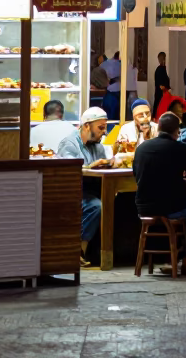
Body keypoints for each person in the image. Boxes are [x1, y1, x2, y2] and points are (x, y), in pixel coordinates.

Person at [132, 111, 186, 274]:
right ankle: (185, 254)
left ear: (158, 128)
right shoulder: (181, 149)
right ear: (177, 131)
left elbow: (136, 174)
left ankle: (176, 254)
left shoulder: (141, 148)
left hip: (144, 208)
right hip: (173, 207)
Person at [56, 107, 110, 266]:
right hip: (72, 192)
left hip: (91, 189)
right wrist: (91, 166)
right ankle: (78, 252)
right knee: (95, 206)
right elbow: (70, 170)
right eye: (101, 127)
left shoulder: (98, 147)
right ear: (87, 126)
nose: (104, 132)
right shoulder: (69, 143)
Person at [102, 51, 122, 122]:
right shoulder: (121, 65)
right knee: (115, 118)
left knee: (107, 116)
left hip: (108, 92)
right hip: (116, 93)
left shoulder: (104, 64)